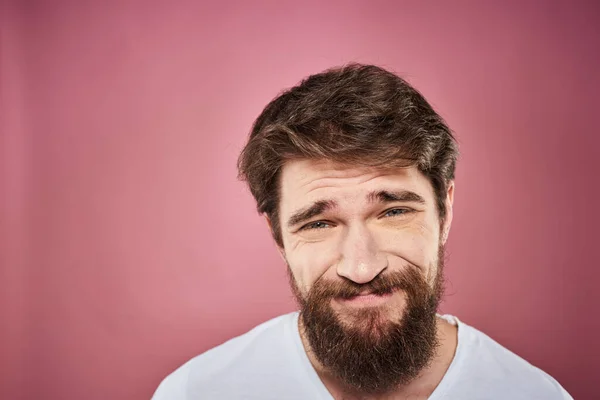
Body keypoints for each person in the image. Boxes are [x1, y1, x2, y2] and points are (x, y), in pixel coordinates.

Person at [152, 64, 572, 399]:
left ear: (444, 212)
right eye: (318, 223)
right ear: (278, 237)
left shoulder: (533, 394)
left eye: (393, 212)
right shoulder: (196, 392)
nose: (361, 266)